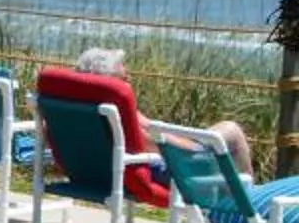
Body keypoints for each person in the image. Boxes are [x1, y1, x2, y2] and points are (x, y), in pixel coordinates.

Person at [76, 44, 253, 176]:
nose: (130, 79)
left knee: (223, 132)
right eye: (125, 77)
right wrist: (199, 148)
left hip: (97, 171)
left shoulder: (80, 105)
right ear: (109, 81)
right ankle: (247, 206)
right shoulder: (117, 113)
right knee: (232, 131)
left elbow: (151, 128)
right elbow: (158, 144)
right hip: (154, 170)